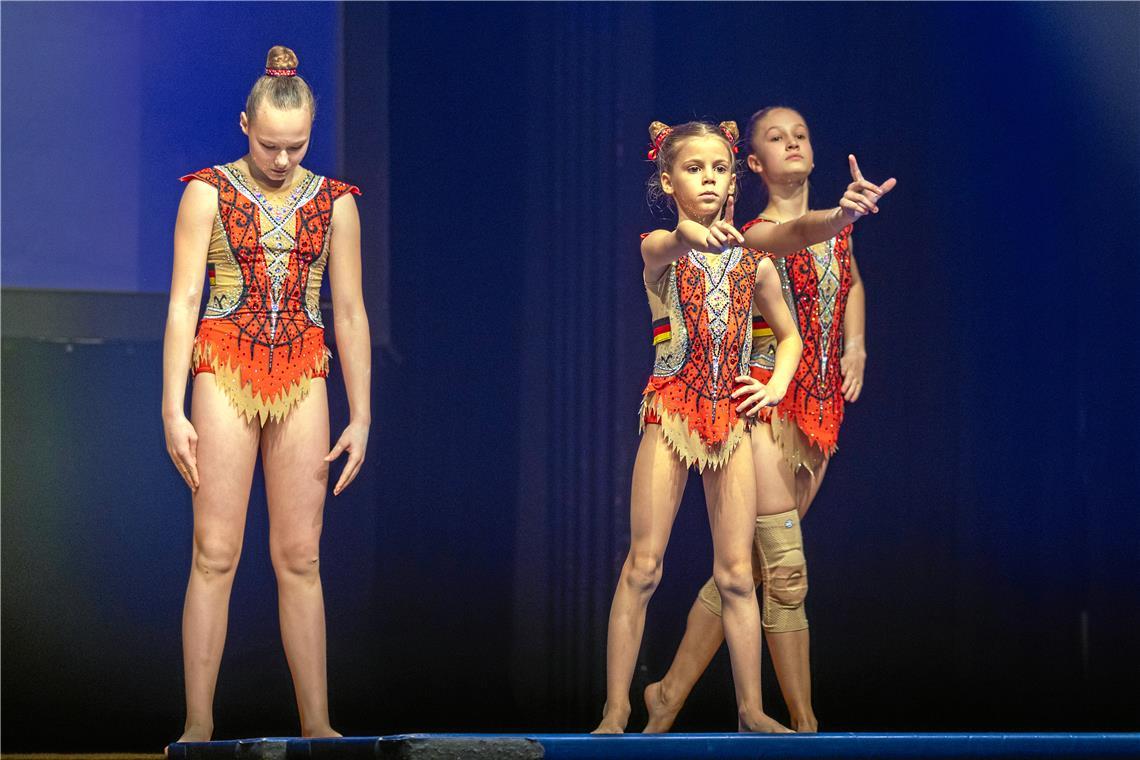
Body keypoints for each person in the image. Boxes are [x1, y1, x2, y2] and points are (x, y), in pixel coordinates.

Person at [594, 118, 890, 734]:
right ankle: (617, 708)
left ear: (734, 177)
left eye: (718, 168)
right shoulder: (661, 245)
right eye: (694, 169)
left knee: (737, 575)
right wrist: (685, 233)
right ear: (668, 180)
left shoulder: (753, 261)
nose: (709, 179)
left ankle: (750, 709)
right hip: (672, 413)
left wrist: (782, 380)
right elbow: (667, 245)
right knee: (645, 567)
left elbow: (793, 334)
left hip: (734, 420)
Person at [162, 45, 370, 741]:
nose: (283, 159)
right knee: (215, 552)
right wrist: (171, 408)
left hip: (303, 370)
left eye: (298, 146)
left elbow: (348, 313)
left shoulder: (336, 203)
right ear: (245, 124)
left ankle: (318, 724)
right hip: (222, 366)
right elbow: (185, 301)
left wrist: (363, 413)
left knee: (301, 556)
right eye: (271, 144)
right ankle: (197, 724)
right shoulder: (206, 193)